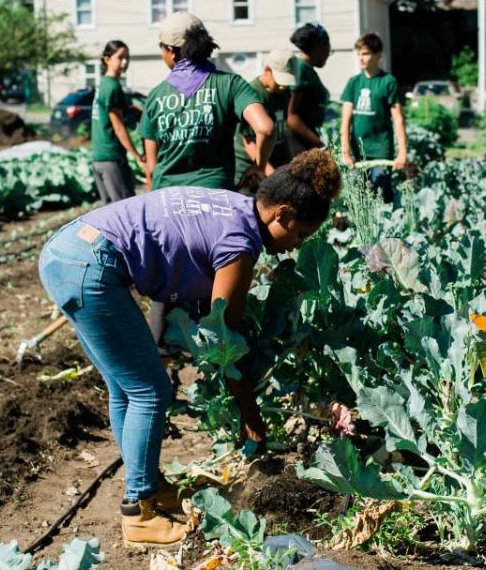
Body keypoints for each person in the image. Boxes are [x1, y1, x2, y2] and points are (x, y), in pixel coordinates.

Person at [38, 150, 342, 548]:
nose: (294, 248)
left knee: (125, 387)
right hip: (91, 267)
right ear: (282, 214)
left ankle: (148, 485)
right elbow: (225, 341)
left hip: (70, 248)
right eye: (300, 235)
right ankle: (138, 511)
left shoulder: (235, 206)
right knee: (150, 390)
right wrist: (251, 417)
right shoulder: (239, 244)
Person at [138, 12, 275, 191]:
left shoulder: (155, 95)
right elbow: (265, 128)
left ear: (171, 52)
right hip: (214, 194)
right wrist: (259, 167)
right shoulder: (231, 84)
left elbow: (152, 164)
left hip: (166, 196)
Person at [340, 32, 407, 203]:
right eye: (359, 54)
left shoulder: (388, 82)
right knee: (358, 197)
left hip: (380, 151)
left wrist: (402, 153)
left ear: (378, 55)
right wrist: (346, 152)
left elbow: (398, 120)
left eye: (365, 53)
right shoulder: (353, 82)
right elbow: (346, 120)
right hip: (357, 152)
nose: (361, 58)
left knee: (381, 195)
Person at [233, 48, 297, 194]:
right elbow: (249, 141)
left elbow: (283, 130)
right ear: (267, 70)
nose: (283, 86)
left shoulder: (284, 91)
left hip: (274, 164)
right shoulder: (252, 94)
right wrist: (270, 174)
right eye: (280, 81)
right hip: (250, 167)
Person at [91, 40, 146, 204]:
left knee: (110, 216)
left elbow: (111, 114)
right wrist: (137, 157)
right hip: (112, 159)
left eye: (127, 57)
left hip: (99, 158)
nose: (125, 61)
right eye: (120, 57)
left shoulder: (104, 84)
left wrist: (132, 111)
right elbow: (118, 127)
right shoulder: (112, 86)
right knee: (125, 210)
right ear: (107, 59)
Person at [286, 23, 331, 156]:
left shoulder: (308, 70)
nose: (328, 53)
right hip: (298, 145)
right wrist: (321, 145)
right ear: (320, 46)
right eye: (329, 48)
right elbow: (292, 118)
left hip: (306, 142)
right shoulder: (301, 70)